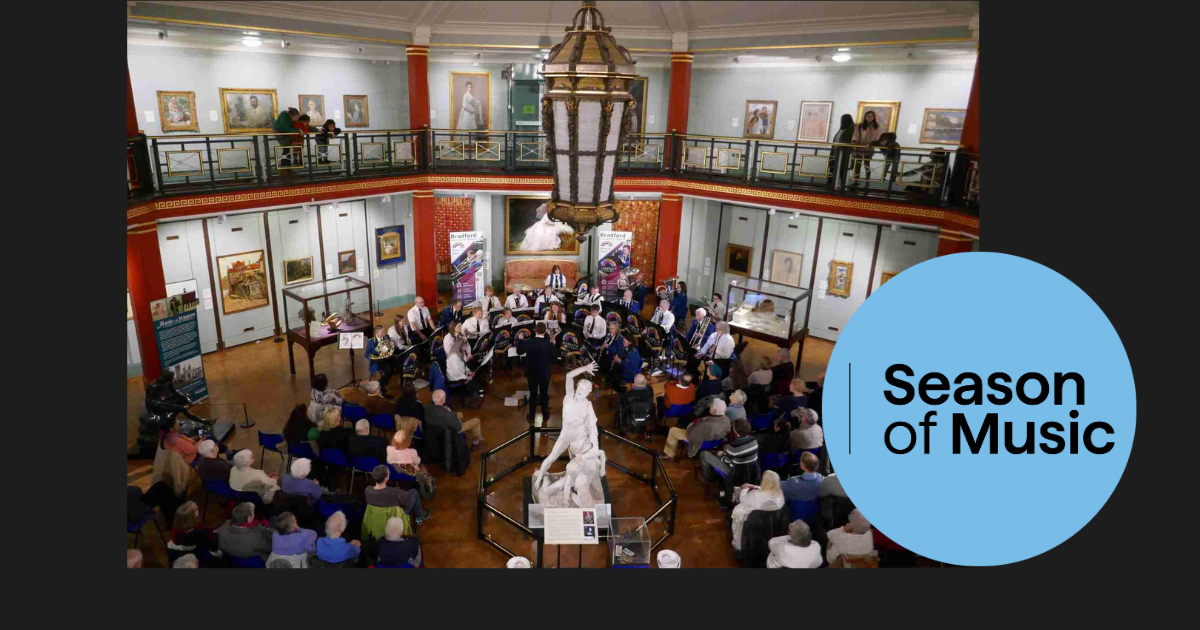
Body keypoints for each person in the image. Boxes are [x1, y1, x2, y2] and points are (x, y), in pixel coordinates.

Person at [731, 470, 786, 552]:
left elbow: (743, 499)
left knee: (739, 510)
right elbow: (766, 492)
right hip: (773, 521)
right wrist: (755, 487)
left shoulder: (756, 495)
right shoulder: (779, 493)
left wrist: (744, 489)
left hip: (755, 522)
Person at [662, 398, 731, 460]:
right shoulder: (726, 419)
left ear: (715, 411)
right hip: (715, 442)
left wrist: (691, 452)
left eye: (711, 406)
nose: (710, 406)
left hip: (698, 439)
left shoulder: (704, 426)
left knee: (673, 431)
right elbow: (727, 431)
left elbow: (693, 439)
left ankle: (669, 455)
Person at [517, 323, 557, 423]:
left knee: (533, 394)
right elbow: (554, 358)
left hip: (532, 373)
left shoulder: (529, 341)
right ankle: (545, 414)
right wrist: (553, 344)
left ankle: (531, 415)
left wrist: (520, 340)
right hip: (544, 373)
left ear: (535, 330)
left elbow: (519, 351)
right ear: (545, 331)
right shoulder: (549, 344)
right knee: (544, 393)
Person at [365, 465, 430, 525]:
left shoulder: (368, 490)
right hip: (396, 517)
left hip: (379, 520)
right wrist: (406, 494)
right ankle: (419, 518)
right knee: (414, 492)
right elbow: (407, 502)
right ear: (386, 478)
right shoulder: (395, 492)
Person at [700, 418, 758, 483]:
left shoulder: (733, 446)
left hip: (734, 472)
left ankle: (707, 478)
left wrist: (721, 455)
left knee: (704, 454)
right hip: (749, 471)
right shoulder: (754, 440)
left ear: (735, 431)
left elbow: (726, 461)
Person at [850, 110, 884, 185]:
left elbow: (875, 136)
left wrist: (870, 143)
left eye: (871, 116)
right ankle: (856, 180)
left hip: (868, 147)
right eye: (868, 116)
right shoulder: (859, 125)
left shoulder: (876, 126)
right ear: (865, 116)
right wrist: (855, 142)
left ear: (874, 117)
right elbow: (856, 135)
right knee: (857, 165)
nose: (870, 117)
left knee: (866, 165)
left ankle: (867, 181)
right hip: (859, 147)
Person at [619, 373, 655, 440]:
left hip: (632, 420)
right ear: (645, 381)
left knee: (621, 409)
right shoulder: (650, 390)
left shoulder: (628, 394)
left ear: (634, 382)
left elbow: (625, 408)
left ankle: (624, 430)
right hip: (647, 418)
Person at [829, 113, 856, 189]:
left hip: (844, 153)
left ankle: (842, 185)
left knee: (842, 169)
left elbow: (850, 141)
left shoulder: (852, 129)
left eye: (847, 119)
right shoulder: (841, 129)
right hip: (836, 152)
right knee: (833, 168)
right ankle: (832, 184)